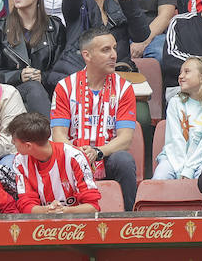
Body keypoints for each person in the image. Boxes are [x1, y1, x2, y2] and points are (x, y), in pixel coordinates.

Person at [49, 27, 138, 209]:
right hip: (72, 157)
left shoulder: (125, 88)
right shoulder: (65, 87)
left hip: (106, 156)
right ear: (87, 55)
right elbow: (59, 136)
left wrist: (98, 152)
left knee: (124, 160)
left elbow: (125, 139)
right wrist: (78, 154)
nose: (114, 55)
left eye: (114, 48)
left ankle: (129, 219)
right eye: (106, 50)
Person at [7, 110, 101, 213]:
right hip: (42, 225)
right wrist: (48, 211)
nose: (12, 143)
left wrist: (63, 211)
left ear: (28, 145)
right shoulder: (19, 161)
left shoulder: (75, 157)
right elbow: (26, 205)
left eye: (14, 141)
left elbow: (92, 207)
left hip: (78, 224)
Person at [153, 56, 202, 180]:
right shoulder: (175, 102)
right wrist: (180, 170)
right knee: (159, 178)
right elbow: (175, 140)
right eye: (180, 72)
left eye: (186, 72)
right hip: (173, 159)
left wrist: (189, 169)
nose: (180, 76)